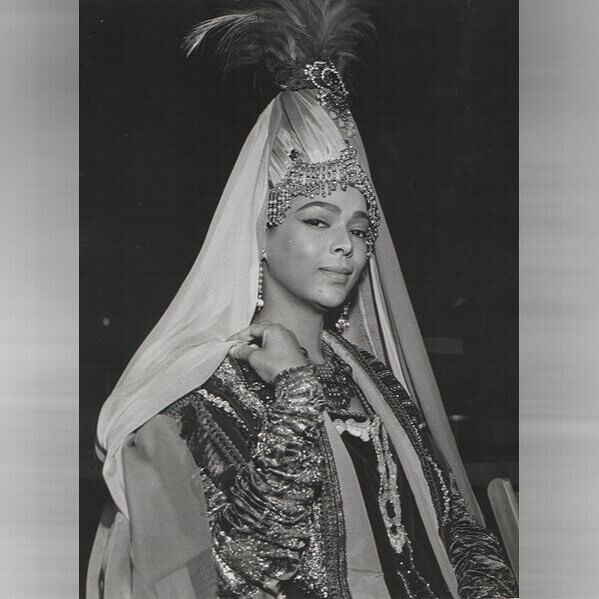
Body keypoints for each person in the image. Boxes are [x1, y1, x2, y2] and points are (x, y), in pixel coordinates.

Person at [87, 1, 518, 598]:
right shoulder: (195, 401)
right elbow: (241, 575)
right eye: (317, 221)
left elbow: (452, 525)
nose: (346, 245)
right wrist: (293, 398)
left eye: (360, 229)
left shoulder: (371, 379)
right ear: (259, 234)